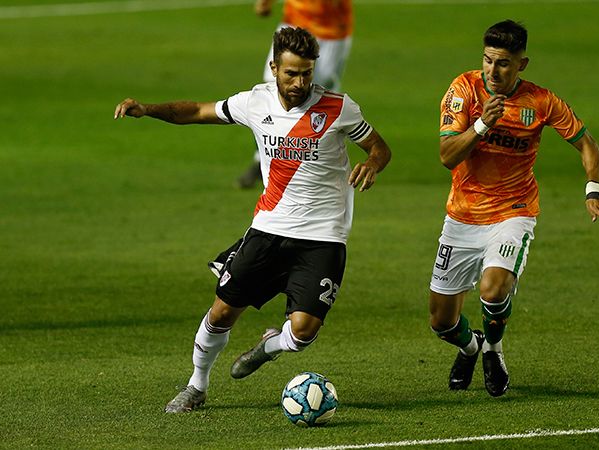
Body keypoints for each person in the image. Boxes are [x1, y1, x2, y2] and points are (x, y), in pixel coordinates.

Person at [113, 26, 391, 413]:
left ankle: (269, 346)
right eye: (291, 73)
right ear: (274, 67)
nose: (299, 82)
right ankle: (196, 385)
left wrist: (372, 164)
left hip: (324, 234)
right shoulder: (255, 102)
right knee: (222, 311)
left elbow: (379, 147)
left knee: (304, 332)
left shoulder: (339, 108)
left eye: (307, 73)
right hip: (269, 229)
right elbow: (196, 111)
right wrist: (148, 109)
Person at [428, 20, 599, 397]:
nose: (493, 71)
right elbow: (447, 156)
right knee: (441, 322)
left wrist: (593, 189)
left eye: (503, 63)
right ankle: (473, 345)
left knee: (494, 289)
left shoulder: (541, 102)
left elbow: (587, 144)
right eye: (487, 60)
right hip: (462, 216)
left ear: (522, 64)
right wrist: (483, 123)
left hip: (513, 211)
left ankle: (494, 351)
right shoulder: (463, 90)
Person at [237, 0, 354, 188]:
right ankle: (263, 160)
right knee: (273, 88)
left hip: (330, 31)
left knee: (319, 100)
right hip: (294, 22)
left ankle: (318, 165)